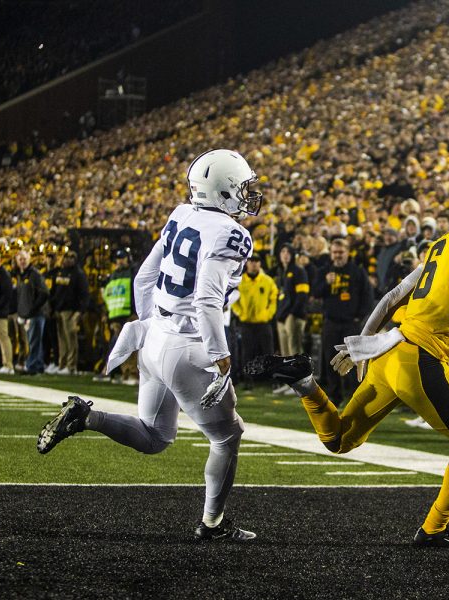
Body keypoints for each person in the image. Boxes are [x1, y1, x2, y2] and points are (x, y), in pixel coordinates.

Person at [247, 170, 449, 548]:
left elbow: (389, 298)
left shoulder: (441, 244)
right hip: (420, 357)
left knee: (339, 440)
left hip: (389, 352)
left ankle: (304, 381)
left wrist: (365, 348)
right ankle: (434, 528)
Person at [37, 148, 262, 541]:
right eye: (242, 187)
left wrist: (151, 324)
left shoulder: (180, 215)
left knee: (155, 436)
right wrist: (221, 358)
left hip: (157, 337)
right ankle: (212, 524)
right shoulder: (231, 234)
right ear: (223, 191)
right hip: (190, 346)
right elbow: (207, 300)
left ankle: (85, 417)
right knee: (227, 437)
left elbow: (145, 277)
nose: (248, 194)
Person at [313, 237, 373, 406]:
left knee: (353, 360)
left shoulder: (357, 271)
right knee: (331, 360)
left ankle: (355, 396)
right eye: (335, 252)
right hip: (331, 322)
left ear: (348, 253)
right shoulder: (324, 271)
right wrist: (326, 283)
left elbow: (368, 296)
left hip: (350, 323)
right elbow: (315, 293)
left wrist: (358, 317)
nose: (338, 255)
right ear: (331, 253)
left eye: (341, 252)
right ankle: (334, 396)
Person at [232, 254, 278, 390]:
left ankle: (273, 379)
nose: (253, 264)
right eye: (251, 261)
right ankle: (248, 379)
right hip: (246, 323)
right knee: (247, 353)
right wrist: (241, 313)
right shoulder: (239, 281)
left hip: (263, 322)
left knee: (268, 352)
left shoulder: (267, 281)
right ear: (247, 263)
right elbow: (233, 299)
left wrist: (268, 314)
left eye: (256, 261)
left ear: (260, 264)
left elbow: (274, 298)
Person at [100, 248, 136, 384]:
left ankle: (132, 374)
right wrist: (110, 316)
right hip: (116, 314)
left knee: (131, 346)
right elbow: (109, 296)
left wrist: (135, 311)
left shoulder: (132, 272)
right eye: (118, 259)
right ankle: (124, 373)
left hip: (130, 314)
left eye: (123, 258)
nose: (120, 261)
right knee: (121, 347)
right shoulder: (113, 276)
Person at [49, 250, 89, 375]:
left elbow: (84, 294)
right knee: (61, 340)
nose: (68, 259)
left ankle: (71, 366)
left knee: (70, 339)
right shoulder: (60, 272)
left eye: (72, 257)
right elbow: (54, 292)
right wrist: (53, 308)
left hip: (71, 311)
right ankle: (62, 364)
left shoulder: (78, 274)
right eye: (67, 257)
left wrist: (79, 312)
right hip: (59, 310)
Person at [14, 250, 49, 375]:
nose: (22, 261)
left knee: (34, 341)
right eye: (20, 259)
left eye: (24, 258)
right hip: (28, 314)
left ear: (29, 259)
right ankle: (38, 366)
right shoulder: (22, 275)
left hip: (36, 314)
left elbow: (44, 293)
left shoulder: (34, 274)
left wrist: (32, 309)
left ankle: (32, 366)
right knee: (34, 341)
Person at [275, 243, 310, 357]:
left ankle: (299, 375)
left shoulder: (299, 271)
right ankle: (287, 375)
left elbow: (303, 295)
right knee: (285, 354)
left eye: (288, 252)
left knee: (295, 352)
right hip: (282, 315)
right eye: (283, 252)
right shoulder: (281, 272)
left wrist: (292, 313)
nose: (285, 255)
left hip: (293, 316)